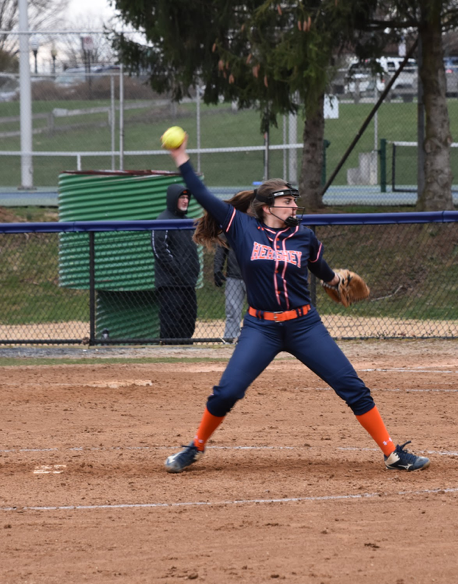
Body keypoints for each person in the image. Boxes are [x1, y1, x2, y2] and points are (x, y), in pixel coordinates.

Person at [161, 135, 430, 474]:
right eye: (286, 201)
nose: (293, 206)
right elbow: (201, 194)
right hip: (262, 327)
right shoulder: (241, 227)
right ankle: (195, 447)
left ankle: (392, 453)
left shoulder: (304, 236)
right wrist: (180, 156)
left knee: (352, 386)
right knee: (226, 392)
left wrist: (336, 282)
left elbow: (324, 273)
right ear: (266, 208)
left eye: (293, 200)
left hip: (304, 326)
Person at [151, 184, 200, 344]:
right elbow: (159, 247)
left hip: (187, 282)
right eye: (181, 197)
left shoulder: (187, 222)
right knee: (171, 319)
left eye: (187, 198)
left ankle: (185, 347)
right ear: (173, 199)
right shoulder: (163, 219)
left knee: (189, 317)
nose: (185, 201)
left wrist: (192, 271)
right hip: (170, 283)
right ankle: (168, 348)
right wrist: (176, 269)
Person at [213, 233, 245, 343]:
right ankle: (230, 339)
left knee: (258, 310)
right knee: (232, 311)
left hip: (255, 276)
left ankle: (255, 339)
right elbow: (222, 243)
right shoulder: (232, 224)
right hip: (233, 275)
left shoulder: (259, 221)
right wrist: (217, 268)